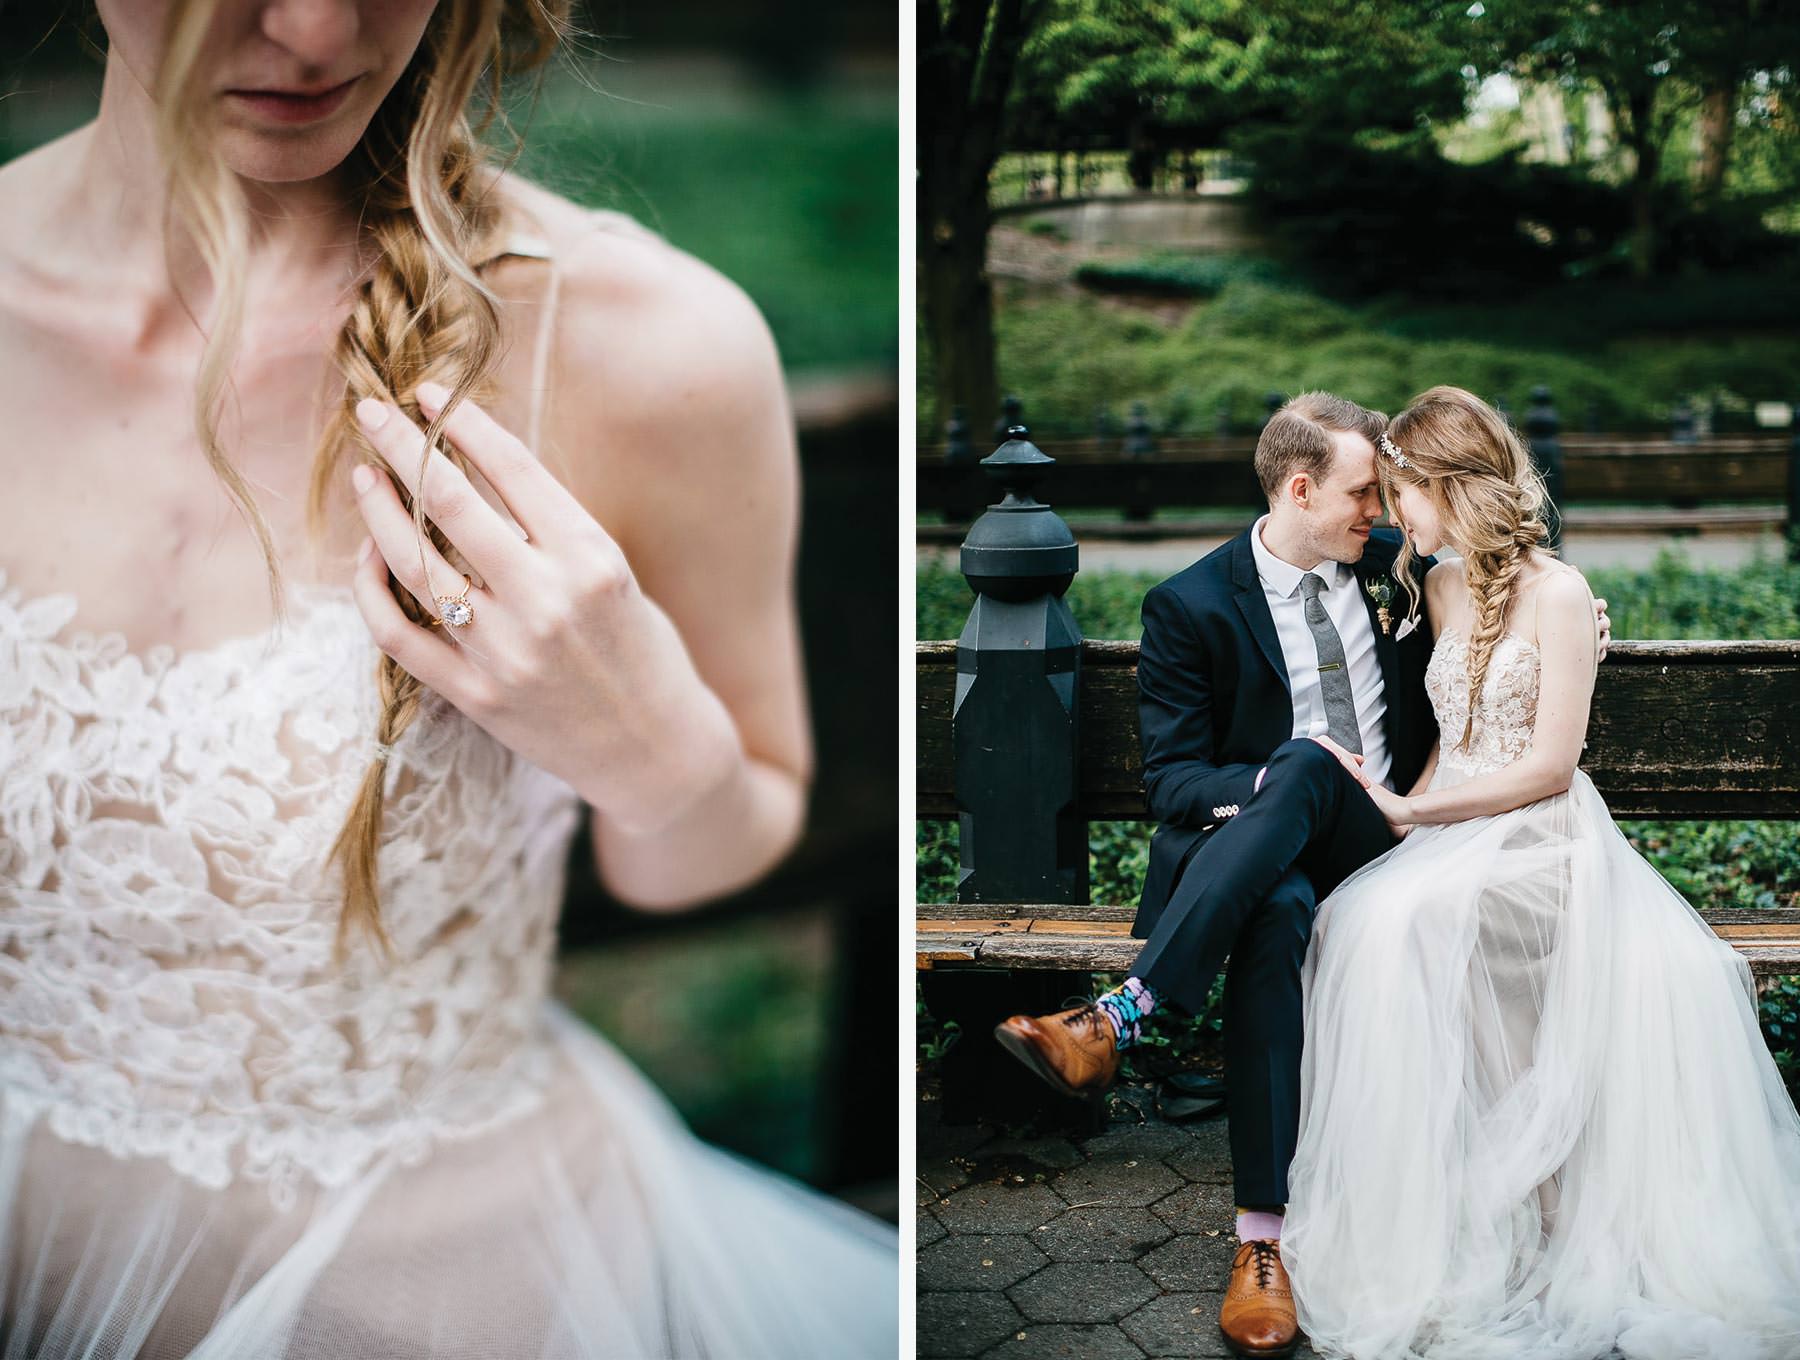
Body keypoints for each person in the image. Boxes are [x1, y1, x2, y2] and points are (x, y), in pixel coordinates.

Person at [0, 2, 896, 1356]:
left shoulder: (649, 348)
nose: (315, 30)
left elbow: (726, 831)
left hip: (431, 1287)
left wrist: (649, 743)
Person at [992, 391, 1611, 1358]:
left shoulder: (1403, 575)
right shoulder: (1191, 605)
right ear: (1298, 489)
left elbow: (1507, 625)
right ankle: (1262, 1242)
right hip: (1263, 850)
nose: (1379, 510)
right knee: (1280, 891)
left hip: (1395, 835)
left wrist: (1577, 621)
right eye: (1364, 493)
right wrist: (1281, 787)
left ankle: (1122, 1015)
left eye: (1386, 494)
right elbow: (1175, 785)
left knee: (1311, 768)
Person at [1280, 386, 1800, 1360]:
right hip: (1457, 826)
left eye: (1401, 492)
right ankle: (1449, 1201)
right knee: (1361, 919)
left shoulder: (1559, 593)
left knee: (1422, 920)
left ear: (1447, 485)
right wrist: (1408, 817)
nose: (1390, 514)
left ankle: (1541, 1185)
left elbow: (1550, 767)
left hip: (1542, 836)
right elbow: (1451, 740)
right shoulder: (1435, 586)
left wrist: (1413, 814)